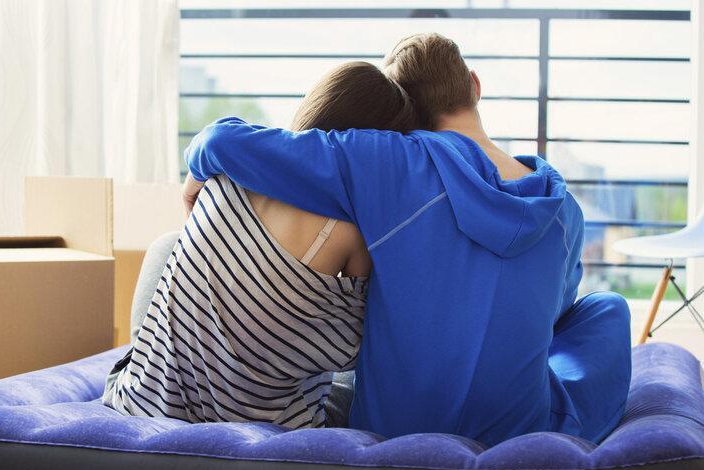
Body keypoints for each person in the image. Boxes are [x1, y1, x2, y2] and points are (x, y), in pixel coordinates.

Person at [182, 33, 632, 446]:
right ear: (474, 85)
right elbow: (555, 316)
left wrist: (193, 181)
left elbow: (222, 140)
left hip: (390, 428)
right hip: (517, 432)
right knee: (606, 309)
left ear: (405, 111)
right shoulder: (564, 211)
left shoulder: (389, 160)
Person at [101, 62, 418, 428]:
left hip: (141, 400)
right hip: (265, 426)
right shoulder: (349, 230)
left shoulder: (229, 164)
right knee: (351, 375)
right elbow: (351, 347)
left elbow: (214, 147)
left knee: (166, 246)